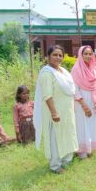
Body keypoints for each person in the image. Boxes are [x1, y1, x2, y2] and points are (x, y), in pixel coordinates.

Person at [33, 45, 79, 174]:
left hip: (67, 111)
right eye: (55, 54)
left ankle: (66, 160)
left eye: (60, 55)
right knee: (55, 137)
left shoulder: (63, 71)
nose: (58, 57)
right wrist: (54, 112)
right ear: (48, 56)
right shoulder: (47, 73)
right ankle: (55, 165)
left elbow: (70, 90)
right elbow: (47, 95)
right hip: (55, 111)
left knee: (67, 134)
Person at [71, 46, 96, 159]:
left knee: (93, 124)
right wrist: (84, 106)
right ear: (81, 55)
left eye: (90, 54)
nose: (89, 56)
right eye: (86, 54)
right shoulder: (76, 69)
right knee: (82, 124)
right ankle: (81, 151)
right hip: (81, 102)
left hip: (93, 101)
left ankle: (90, 148)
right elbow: (75, 89)